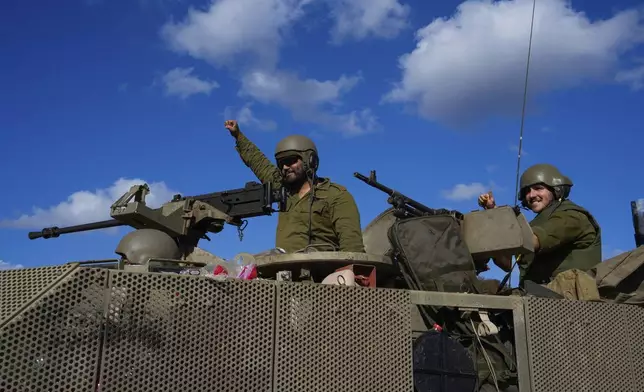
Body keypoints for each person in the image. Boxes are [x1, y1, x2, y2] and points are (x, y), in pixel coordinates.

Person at [223, 119, 365, 254]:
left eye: (290, 161)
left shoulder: (336, 196)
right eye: (281, 163)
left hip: (323, 273)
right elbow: (259, 163)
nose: (285, 167)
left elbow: (352, 246)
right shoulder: (283, 189)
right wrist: (238, 136)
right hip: (285, 272)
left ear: (310, 161)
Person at [478, 163, 601, 285]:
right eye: (527, 191)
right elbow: (506, 264)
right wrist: (493, 212)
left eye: (538, 188)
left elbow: (534, 240)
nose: (531, 195)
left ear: (556, 189)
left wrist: (499, 221)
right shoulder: (535, 224)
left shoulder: (571, 215)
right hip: (537, 296)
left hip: (567, 299)